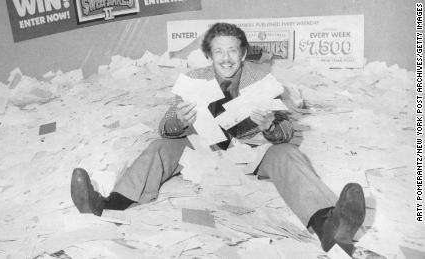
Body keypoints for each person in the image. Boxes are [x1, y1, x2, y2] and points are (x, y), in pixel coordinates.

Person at [70, 22, 365, 256]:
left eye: (233, 51)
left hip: (251, 151)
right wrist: (179, 121)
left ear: (243, 53)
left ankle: (328, 224)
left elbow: (286, 134)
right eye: (219, 52)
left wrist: (270, 125)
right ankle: (108, 205)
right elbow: (164, 127)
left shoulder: (262, 80)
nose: (226, 58)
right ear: (209, 55)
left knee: (288, 154)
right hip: (203, 150)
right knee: (160, 146)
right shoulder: (193, 80)